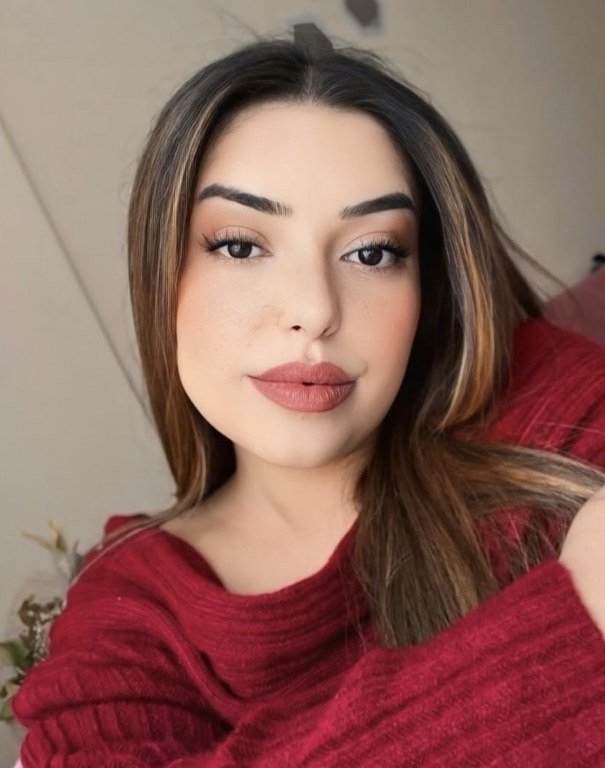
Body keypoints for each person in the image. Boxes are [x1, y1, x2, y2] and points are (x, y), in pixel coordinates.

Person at [11, 28, 605, 767]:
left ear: (427, 287)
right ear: (160, 274)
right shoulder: (131, 609)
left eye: (372, 252)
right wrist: (578, 622)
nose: (314, 310)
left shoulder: (542, 403)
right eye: (239, 245)